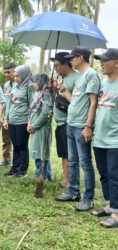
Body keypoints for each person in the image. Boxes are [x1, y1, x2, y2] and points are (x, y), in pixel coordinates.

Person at [56, 46, 100, 212]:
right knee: (73, 160)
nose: (70, 60)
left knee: (85, 163)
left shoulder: (91, 75)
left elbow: (93, 102)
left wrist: (88, 126)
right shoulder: (80, 77)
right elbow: (74, 100)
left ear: (80, 58)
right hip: (71, 123)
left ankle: (88, 198)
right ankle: (73, 191)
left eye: (72, 58)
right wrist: (64, 90)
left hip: (82, 126)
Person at [91, 48, 118, 227]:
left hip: (115, 140)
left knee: (115, 175)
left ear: (116, 62)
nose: (101, 63)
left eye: (105, 60)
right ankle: (110, 205)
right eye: (100, 61)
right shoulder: (102, 83)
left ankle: (117, 213)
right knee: (105, 175)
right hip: (99, 138)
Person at [50, 52, 79, 188]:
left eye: (56, 65)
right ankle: (66, 179)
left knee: (70, 154)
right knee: (63, 153)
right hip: (60, 122)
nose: (55, 68)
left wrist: (64, 90)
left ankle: (70, 181)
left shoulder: (77, 78)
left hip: (69, 122)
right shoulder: (64, 78)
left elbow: (78, 102)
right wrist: (55, 89)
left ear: (65, 64)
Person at [3, 65, 33, 178]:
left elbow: (32, 105)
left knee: (22, 145)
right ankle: (14, 169)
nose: (16, 78)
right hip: (12, 120)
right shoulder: (14, 86)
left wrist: (30, 121)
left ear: (24, 75)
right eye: (15, 76)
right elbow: (9, 103)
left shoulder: (29, 87)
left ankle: (22, 171)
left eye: (18, 76)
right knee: (15, 145)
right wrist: (6, 118)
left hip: (23, 120)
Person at [28, 74, 53, 181]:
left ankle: (42, 177)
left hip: (41, 128)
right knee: (39, 152)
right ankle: (47, 175)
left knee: (41, 154)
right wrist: (29, 122)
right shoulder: (37, 94)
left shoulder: (46, 94)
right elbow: (32, 111)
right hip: (34, 127)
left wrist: (34, 125)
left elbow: (46, 113)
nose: (33, 84)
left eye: (36, 82)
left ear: (41, 82)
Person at [0, 63, 15, 167]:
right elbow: (4, 100)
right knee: (6, 138)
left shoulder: (22, 84)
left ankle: (18, 161)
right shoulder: (6, 84)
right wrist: (2, 117)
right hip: (6, 116)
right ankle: (6, 159)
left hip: (17, 116)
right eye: (5, 72)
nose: (6, 74)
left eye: (9, 72)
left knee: (17, 141)